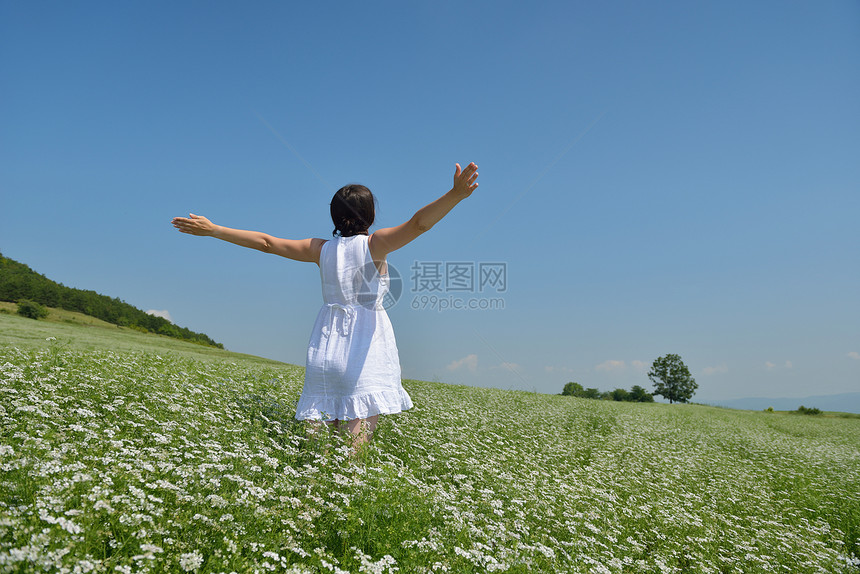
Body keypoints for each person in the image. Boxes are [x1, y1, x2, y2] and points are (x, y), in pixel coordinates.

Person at [172, 162, 479, 451]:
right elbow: (418, 224)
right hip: (364, 349)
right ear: (370, 215)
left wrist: (215, 229)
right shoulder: (375, 245)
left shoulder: (320, 249)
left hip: (327, 343)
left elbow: (266, 242)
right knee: (352, 445)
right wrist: (455, 195)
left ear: (334, 217)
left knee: (317, 441)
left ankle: (309, 488)